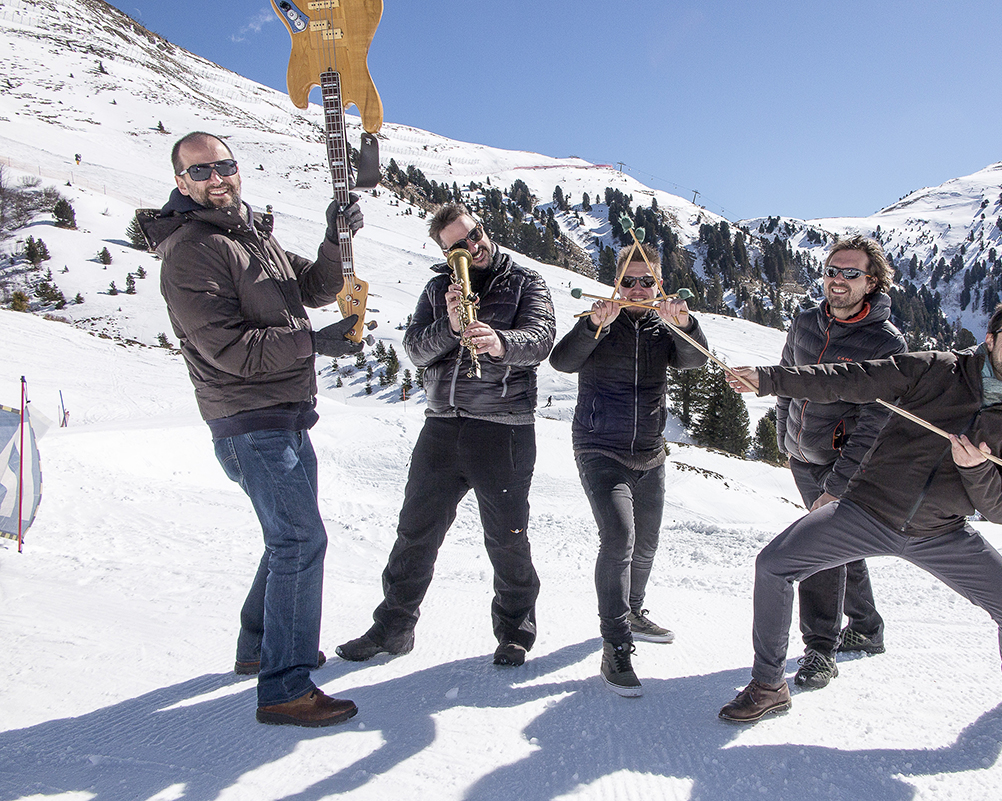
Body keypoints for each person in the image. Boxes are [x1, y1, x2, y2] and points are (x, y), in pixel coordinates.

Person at [718, 294, 1002, 730]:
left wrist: (977, 472)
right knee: (774, 565)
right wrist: (769, 379)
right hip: (865, 511)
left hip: (942, 533)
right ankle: (769, 687)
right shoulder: (936, 370)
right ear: (991, 338)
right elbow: (849, 379)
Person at [139, 131, 364, 727]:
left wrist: (337, 237)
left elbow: (313, 287)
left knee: (286, 538)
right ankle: (285, 686)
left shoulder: (246, 235)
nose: (219, 177)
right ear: (181, 183)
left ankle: (260, 648)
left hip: (282, 414)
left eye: (226, 166)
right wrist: (312, 343)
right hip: (249, 420)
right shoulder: (192, 251)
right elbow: (227, 350)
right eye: (202, 171)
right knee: (299, 541)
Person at [338, 204, 555, 667]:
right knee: (415, 532)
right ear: (443, 251)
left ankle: (515, 632)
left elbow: (540, 340)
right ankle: (392, 629)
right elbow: (416, 349)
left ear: (484, 228)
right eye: (457, 245)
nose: (471, 247)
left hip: (503, 428)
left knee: (507, 536)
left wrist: (499, 342)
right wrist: (451, 327)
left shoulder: (524, 281)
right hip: (441, 425)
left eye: (474, 235)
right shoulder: (438, 288)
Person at [549, 244, 708, 696]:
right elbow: (562, 361)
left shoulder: (664, 327)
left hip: (650, 451)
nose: (638, 288)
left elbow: (695, 360)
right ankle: (614, 645)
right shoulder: (599, 322)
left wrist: (686, 325)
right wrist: (592, 326)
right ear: (616, 285)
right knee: (619, 538)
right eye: (629, 281)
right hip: (600, 447)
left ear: (658, 285)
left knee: (647, 542)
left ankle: (633, 611)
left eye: (647, 281)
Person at [778, 235, 906, 691]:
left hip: (842, 465)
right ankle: (867, 628)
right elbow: (787, 380)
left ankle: (819, 649)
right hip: (801, 456)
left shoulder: (884, 341)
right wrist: (785, 436)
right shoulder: (806, 321)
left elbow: (876, 424)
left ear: (871, 282)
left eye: (851, 273)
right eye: (833, 270)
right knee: (841, 546)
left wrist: (839, 482)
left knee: (819, 549)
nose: (838, 280)